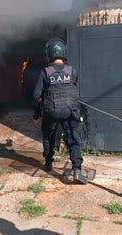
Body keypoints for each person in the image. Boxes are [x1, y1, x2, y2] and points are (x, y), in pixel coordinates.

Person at [33, 38, 87, 184]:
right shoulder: (72, 71)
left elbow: (36, 94)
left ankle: (48, 163)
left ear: (49, 54)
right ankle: (77, 170)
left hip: (52, 110)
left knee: (48, 136)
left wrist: (38, 109)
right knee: (73, 139)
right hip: (71, 110)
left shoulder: (45, 72)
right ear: (64, 53)